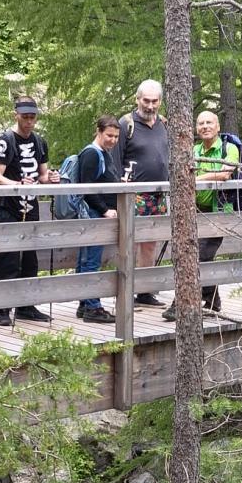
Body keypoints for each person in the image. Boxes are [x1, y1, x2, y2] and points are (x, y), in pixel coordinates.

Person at [164, 110, 241, 322]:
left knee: (200, 256)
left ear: (218, 127)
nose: (205, 126)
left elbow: (226, 173)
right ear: (196, 129)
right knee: (198, 255)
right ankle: (213, 301)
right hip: (195, 212)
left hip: (219, 213)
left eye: (209, 122)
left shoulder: (229, 148)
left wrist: (198, 177)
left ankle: (180, 304)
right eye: (201, 123)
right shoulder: (193, 150)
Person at [0, 96, 57, 327]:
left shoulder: (40, 142)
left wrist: (52, 179)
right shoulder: (5, 141)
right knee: (7, 260)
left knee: (30, 260)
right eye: (25, 117)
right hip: (9, 208)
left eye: (32, 117)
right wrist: (17, 185)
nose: (29, 121)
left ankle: (26, 306)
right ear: (15, 114)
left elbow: (43, 176)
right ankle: (2, 309)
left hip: (32, 206)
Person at [113, 79, 168, 308]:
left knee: (150, 244)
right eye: (146, 101)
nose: (150, 106)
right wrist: (117, 192)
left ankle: (145, 291)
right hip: (133, 194)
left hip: (159, 194)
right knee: (129, 242)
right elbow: (115, 160)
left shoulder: (164, 123)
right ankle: (126, 291)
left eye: (155, 101)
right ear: (138, 99)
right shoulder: (126, 124)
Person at [73, 115, 121, 324]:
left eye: (116, 137)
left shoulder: (104, 153)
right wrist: (104, 210)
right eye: (109, 135)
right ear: (99, 132)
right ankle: (92, 307)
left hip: (98, 213)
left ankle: (85, 304)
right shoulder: (92, 154)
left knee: (87, 259)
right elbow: (87, 187)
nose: (113, 140)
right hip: (93, 214)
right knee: (90, 260)